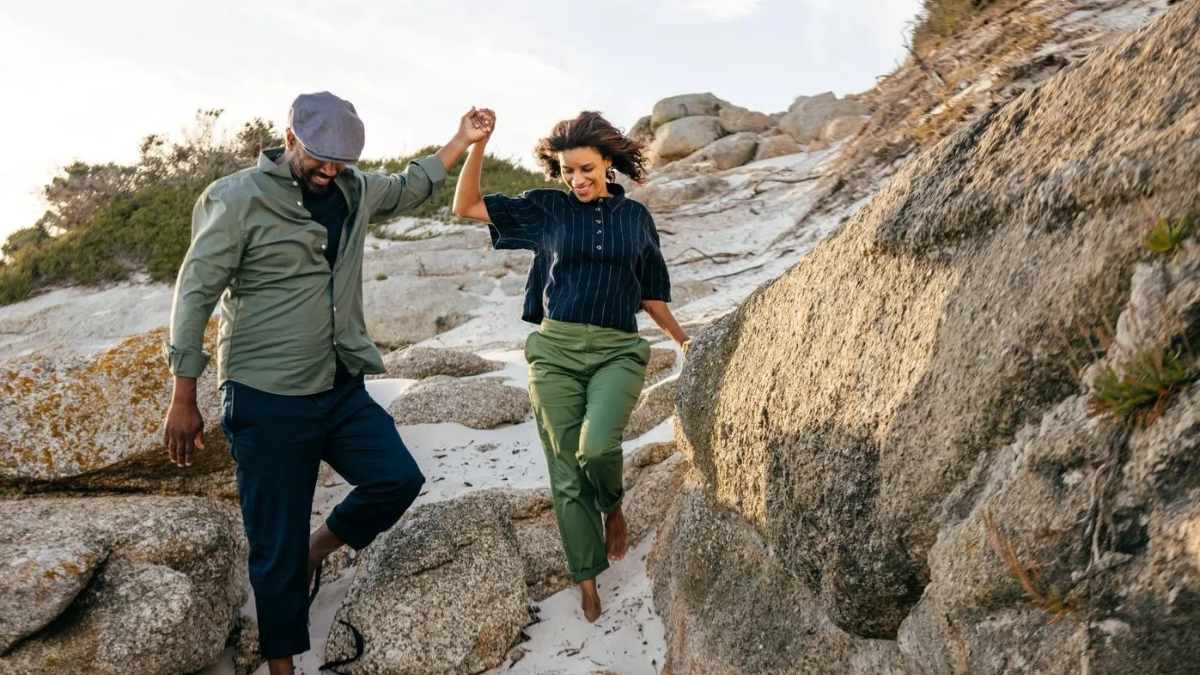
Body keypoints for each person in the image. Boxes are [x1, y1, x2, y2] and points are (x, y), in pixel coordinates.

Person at [161, 91, 493, 675]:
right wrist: (183, 395)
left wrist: (463, 139)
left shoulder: (354, 189)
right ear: (290, 138)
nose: (330, 169)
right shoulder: (236, 198)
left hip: (339, 387)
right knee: (274, 541)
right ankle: (283, 666)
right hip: (266, 395)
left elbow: (410, 185)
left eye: (342, 160)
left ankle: (316, 552)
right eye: (320, 157)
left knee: (397, 479)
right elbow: (194, 294)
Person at [452, 109, 689, 622]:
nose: (577, 180)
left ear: (607, 163)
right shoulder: (547, 209)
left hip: (617, 350)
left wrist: (683, 340)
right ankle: (586, 578)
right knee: (565, 473)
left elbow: (651, 294)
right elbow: (465, 205)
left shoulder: (636, 218)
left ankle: (613, 507)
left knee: (596, 447)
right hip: (554, 353)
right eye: (567, 171)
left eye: (586, 169)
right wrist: (477, 144)